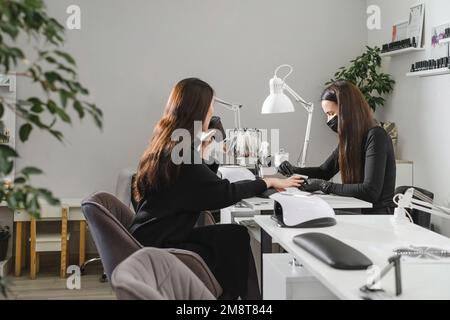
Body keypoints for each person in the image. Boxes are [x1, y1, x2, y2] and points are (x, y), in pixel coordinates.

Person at [129, 78, 301, 300]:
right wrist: (266, 182)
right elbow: (222, 193)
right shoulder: (183, 156)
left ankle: (241, 298)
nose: (212, 113)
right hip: (160, 247)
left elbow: (199, 185)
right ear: (198, 111)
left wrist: (202, 152)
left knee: (234, 235)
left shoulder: (170, 144)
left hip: (152, 236)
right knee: (233, 244)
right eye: (210, 107)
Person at [278, 80, 396, 215]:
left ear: (348, 110)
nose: (329, 121)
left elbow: (370, 192)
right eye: (327, 115)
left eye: (331, 113)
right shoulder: (350, 139)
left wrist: (324, 186)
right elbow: (324, 171)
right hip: (358, 210)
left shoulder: (376, 136)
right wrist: (293, 170)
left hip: (377, 216)